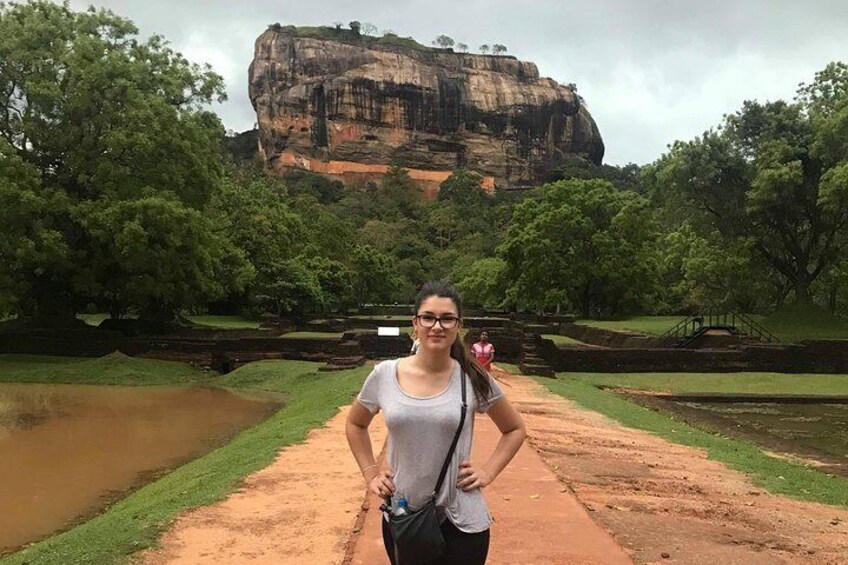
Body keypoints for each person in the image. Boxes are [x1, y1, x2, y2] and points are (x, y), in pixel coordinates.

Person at [346, 281, 526, 565]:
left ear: (458, 325)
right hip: (405, 514)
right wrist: (370, 474)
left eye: (447, 319)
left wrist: (488, 472)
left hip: (461, 518)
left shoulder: (472, 377)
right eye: (428, 317)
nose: (437, 326)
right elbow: (355, 424)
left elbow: (514, 428)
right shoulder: (385, 375)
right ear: (415, 323)